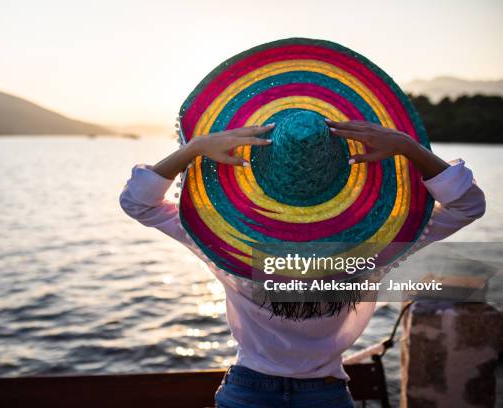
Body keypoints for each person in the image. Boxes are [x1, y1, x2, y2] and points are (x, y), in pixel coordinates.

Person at [119, 119, 485, 408]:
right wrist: (408, 147)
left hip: (247, 391)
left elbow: (138, 203)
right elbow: (468, 204)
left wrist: (194, 148)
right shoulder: (376, 247)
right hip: (325, 394)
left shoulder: (229, 247)